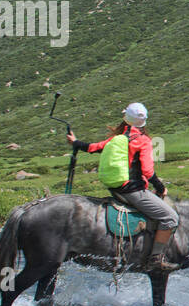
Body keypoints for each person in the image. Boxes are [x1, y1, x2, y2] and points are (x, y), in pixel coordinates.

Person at [67, 102, 179, 272]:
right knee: (170, 217)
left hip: (116, 188)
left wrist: (75, 142)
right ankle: (156, 260)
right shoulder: (143, 141)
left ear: (126, 119)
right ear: (143, 122)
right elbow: (148, 172)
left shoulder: (117, 138)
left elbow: (92, 148)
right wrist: (161, 188)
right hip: (133, 191)